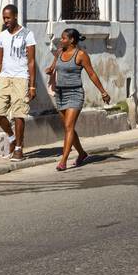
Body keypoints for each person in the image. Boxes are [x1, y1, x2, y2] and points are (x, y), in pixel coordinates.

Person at [46, 28, 112, 171]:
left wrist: (103, 92)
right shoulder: (59, 52)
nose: (61, 40)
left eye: (64, 38)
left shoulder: (81, 55)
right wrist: (49, 70)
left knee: (69, 126)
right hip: (60, 93)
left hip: (75, 93)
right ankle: (82, 153)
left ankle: (63, 160)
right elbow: (53, 67)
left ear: (72, 40)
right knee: (68, 127)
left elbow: (92, 74)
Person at [0, 4, 38, 161]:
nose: (6, 21)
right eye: (4, 18)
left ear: (15, 16)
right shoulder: (3, 35)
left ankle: (19, 148)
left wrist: (32, 85)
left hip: (21, 78)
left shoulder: (27, 34)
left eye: (8, 18)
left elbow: (31, 61)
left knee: (19, 113)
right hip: (4, 77)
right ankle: (11, 137)